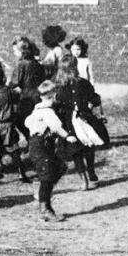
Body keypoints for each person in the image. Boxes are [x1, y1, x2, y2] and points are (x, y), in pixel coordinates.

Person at [53, 54, 107, 190]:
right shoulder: (64, 86)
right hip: (74, 122)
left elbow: (95, 98)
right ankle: (88, 175)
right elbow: (95, 98)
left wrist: (90, 103)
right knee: (82, 150)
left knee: (80, 150)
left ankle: (87, 175)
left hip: (79, 121)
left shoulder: (76, 84)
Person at [26, 81, 76, 222]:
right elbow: (56, 127)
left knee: (60, 167)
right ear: (54, 96)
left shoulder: (37, 109)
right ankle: (45, 209)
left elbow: (27, 122)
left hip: (39, 145)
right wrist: (68, 136)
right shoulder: (48, 112)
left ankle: (42, 191)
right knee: (48, 176)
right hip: (41, 146)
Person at [8, 37, 44, 139]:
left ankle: (30, 142)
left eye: (15, 51)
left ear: (22, 51)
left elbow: (15, 82)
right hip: (37, 97)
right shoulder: (36, 63)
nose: (14, 53)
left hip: (26, 98)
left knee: (20, 121)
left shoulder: (21, 64)